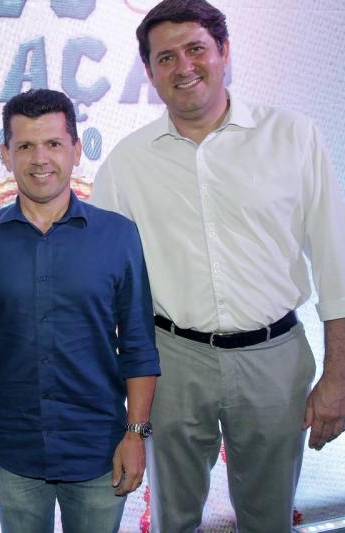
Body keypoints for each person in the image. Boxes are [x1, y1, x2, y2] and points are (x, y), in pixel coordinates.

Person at [90, 0, 345, 531]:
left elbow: (335, 263)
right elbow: (103, 286)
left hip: (275, 361)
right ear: (149, 72)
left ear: (224, 51)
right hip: (172, 362)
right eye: (165, 58)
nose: (183, 67)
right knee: (173, 518)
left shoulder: (293, 137)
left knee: (268, 519)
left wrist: (339, 376)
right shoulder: (126, 162)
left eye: (196, 49)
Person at [0, 88, 160, 533]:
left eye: (53, 143)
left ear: (76, 149)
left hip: (100, 450)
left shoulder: (119, 236)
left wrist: (136, 434)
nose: (40, 159)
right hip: (11, 451)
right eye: (25, 146)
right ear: (5, 155)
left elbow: (138, 346)